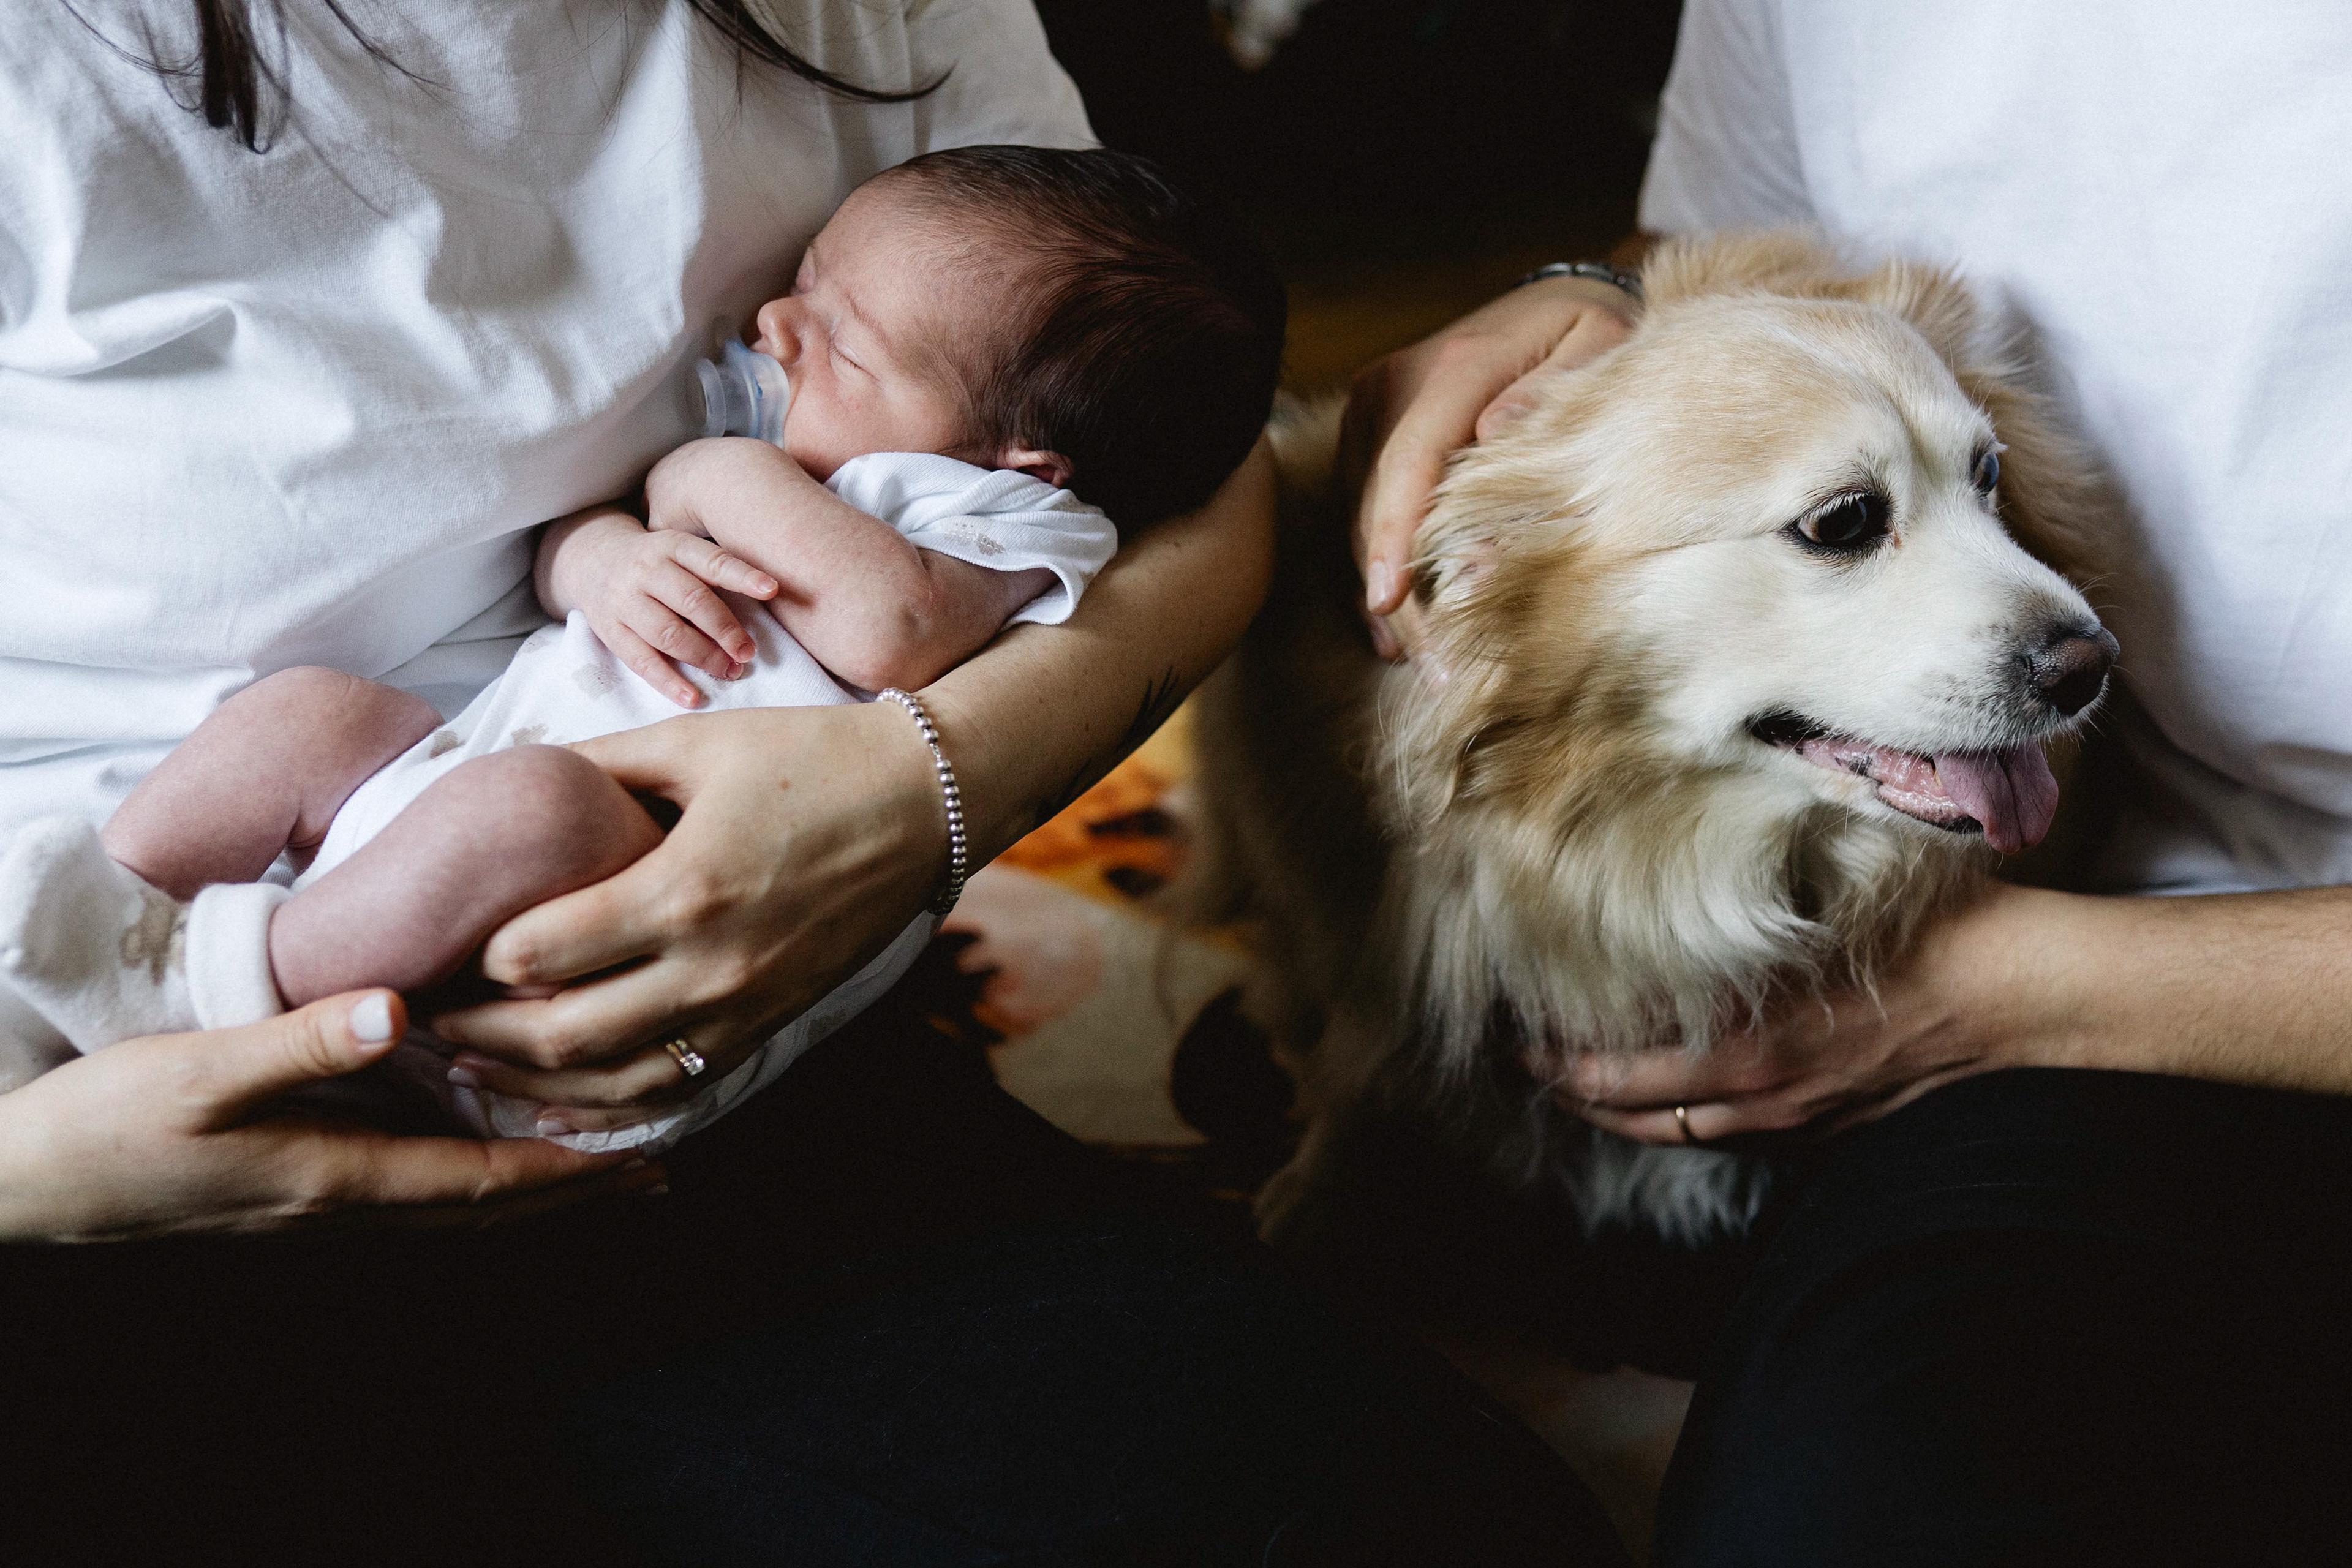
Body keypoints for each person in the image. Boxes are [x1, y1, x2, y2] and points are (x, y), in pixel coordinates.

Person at [0, 6, 1634, 1563]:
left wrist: (920, 789)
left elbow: (1193, 493)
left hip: (639, 1014)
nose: (767, 326)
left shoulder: (983, 490)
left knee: (1407, 1524)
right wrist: (43, 1167)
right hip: (87, 1151)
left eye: (833, 331)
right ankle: (137, 965)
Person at [1346, 1, 2352, 1560]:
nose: (2064, 631)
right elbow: (1709, 250)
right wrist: (1583, 299)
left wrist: (2023, 988)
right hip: (2107, 906)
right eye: (1844, 527)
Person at [2, 143, 1283, 1155]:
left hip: (607, 932)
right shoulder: (826, 450)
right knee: (311, 713)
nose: (778, 325)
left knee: (531, 801)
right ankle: (109, 919)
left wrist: (708, 469)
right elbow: (573, 567)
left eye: (840, 339)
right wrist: (602, 557)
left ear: (1022, 459)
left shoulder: (1005, 519)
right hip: (439, 806)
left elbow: (891, 633)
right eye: (806, 284)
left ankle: (215, 1002)